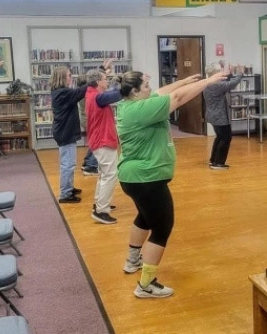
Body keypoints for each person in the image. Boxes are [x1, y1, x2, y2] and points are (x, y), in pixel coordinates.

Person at [117, 69, 227, 298]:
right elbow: (176, 98)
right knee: (162, 227)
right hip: (147, 178)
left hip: (134, 178)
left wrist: (185, 80)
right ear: (135, 92)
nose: (150, 88)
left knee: (145, 218)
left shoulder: (130, 105)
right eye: (145, 86)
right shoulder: (141, 110)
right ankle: (146, 284)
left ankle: (132, 261)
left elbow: (162, 92)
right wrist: (208, 81)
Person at [85, 66, 122, 224]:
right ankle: (101, 210)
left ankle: (99, 203)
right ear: (99, 82)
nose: (107, 82)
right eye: (105, 79)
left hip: (99, 140)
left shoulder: (92, 93)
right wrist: (128, 85)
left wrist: (116, 82)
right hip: (103, 140)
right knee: (110, 175)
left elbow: (111, 92)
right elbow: (117, 94)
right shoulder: (98, 98)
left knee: (103, 174)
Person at [51, 65, 87, 204]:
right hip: (65, 132)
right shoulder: (63, 93)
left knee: (69, 162)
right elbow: (81, 91)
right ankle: (65, 194)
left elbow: (78, 92)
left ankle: (69, 188)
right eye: (69, 75)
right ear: (62, 78)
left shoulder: (60, 91)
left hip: (65, 131)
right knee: (68, 164)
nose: (71, 78)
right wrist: (96, 77)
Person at [202, 62, 243, 169]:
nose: (221, 73)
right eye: (219, 71)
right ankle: (218, 163)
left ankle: (213, 160)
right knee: (226, 138)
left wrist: (228, 73)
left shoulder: (208, 83)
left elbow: (225, 82)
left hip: (213, 115)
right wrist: (240, 73)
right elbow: (230, 84)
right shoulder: (216, 84)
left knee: (220, 137)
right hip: (219, 116)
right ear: (214, 73)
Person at [77, 76, 99, 176]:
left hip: (85, 120)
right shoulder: (86, 93)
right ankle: (91, 166)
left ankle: (87, 162)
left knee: (93, 141)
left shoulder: (81, 92)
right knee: (97, 142)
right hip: (88, 120)